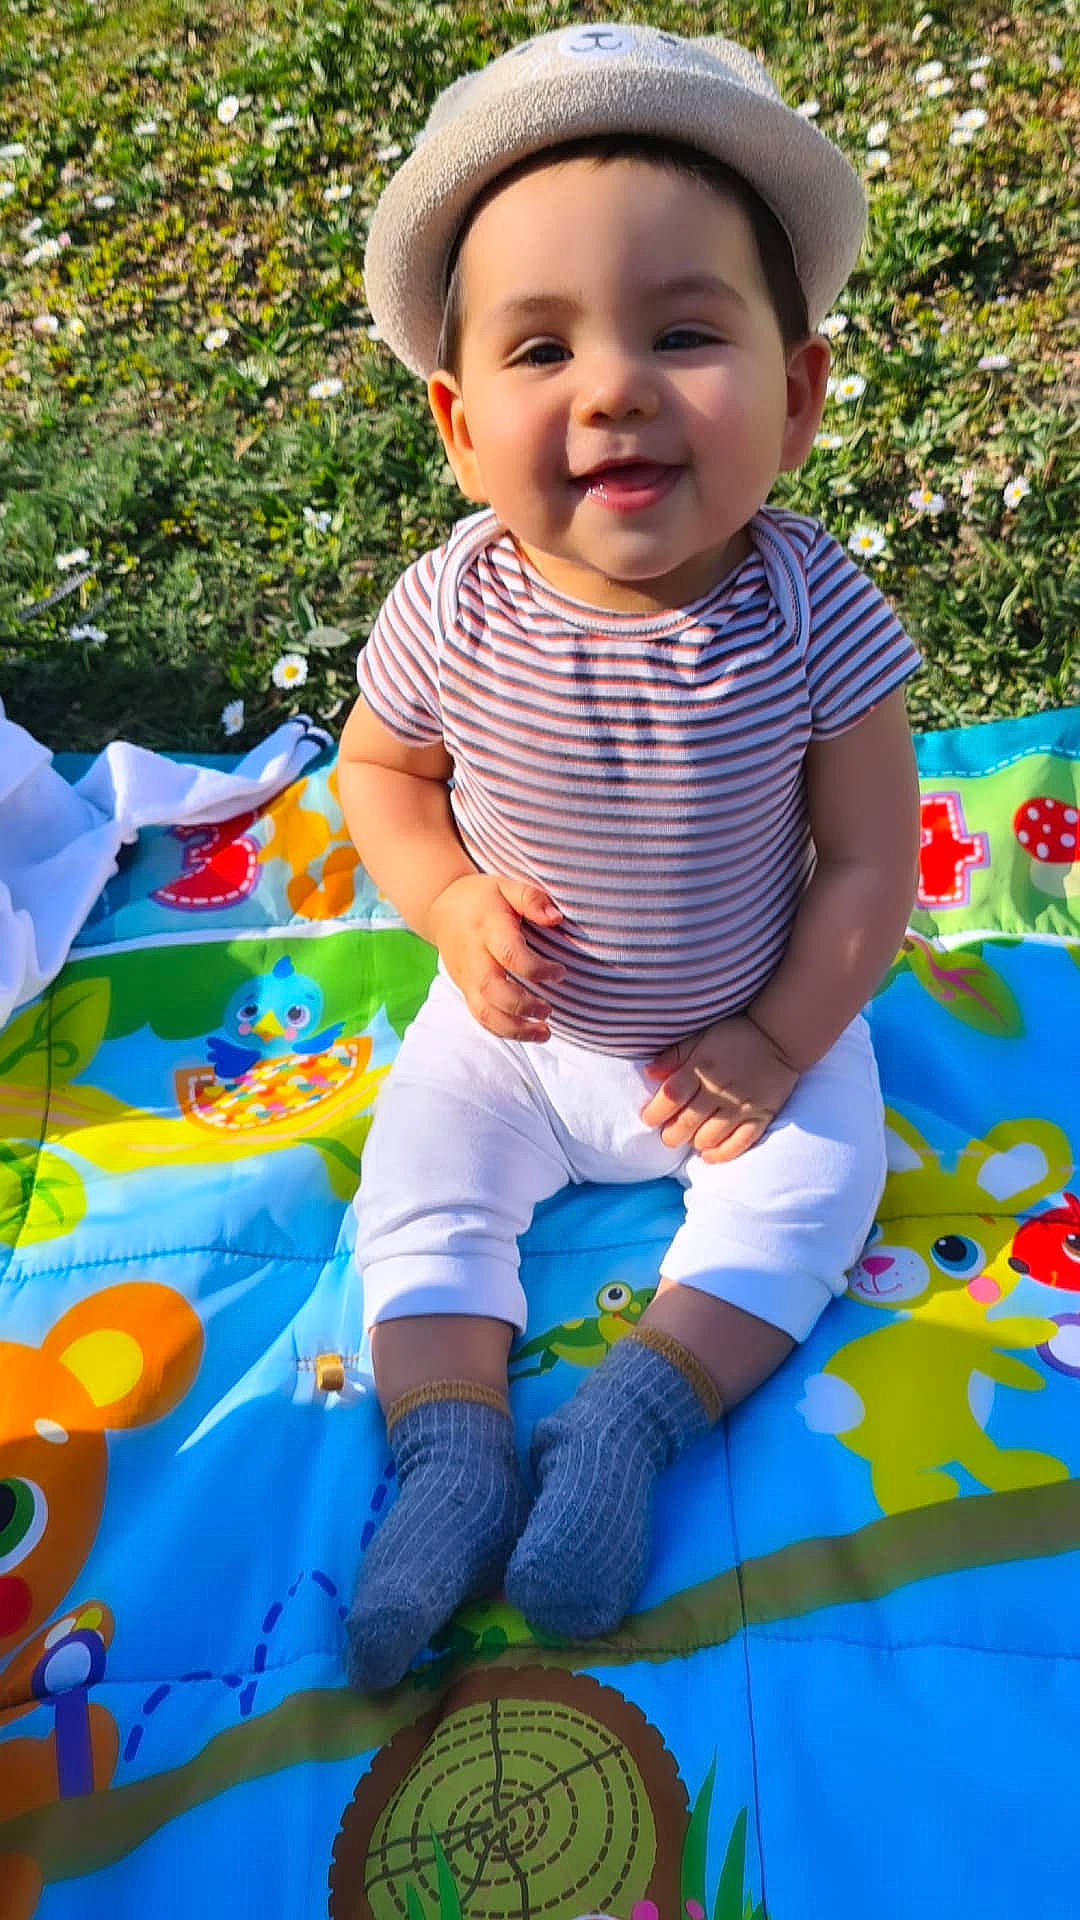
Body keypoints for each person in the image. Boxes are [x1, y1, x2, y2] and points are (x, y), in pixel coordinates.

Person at [337, 21, 922, 1692]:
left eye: (684, 332)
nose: (614, 389)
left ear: (798, 391)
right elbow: (380, 773)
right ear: (456, 424)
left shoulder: (816, 615)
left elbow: (873, 870)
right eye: (541, 352)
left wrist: (778, 1040)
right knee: (422, 1192)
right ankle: (450, 1450)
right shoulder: (453, 604)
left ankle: (627, 1425)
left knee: (817, 1185)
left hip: (746, 1027)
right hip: (520, 1044)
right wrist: (448, 900)